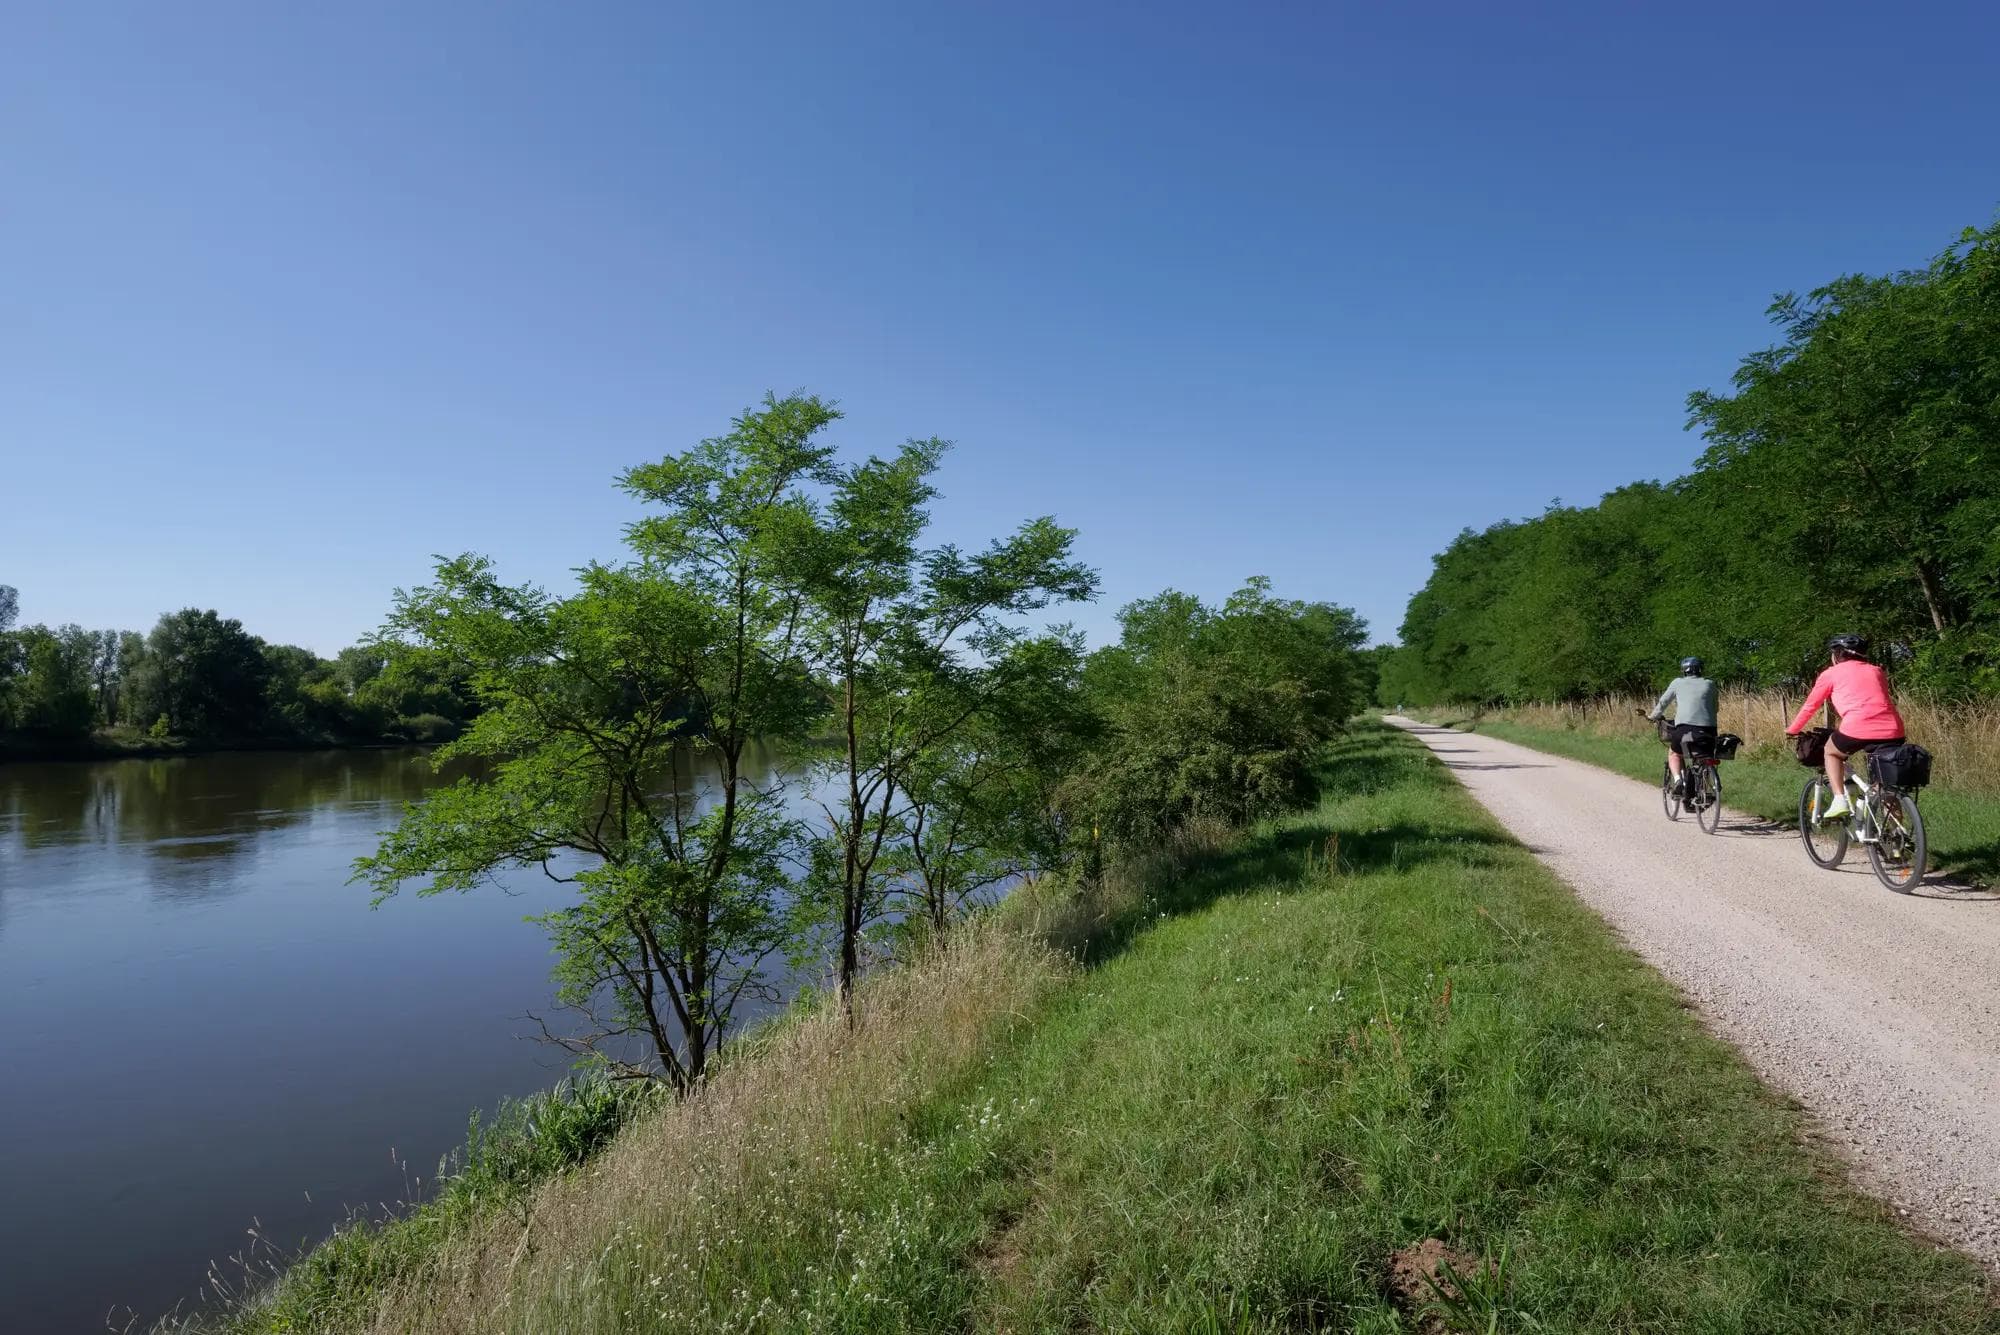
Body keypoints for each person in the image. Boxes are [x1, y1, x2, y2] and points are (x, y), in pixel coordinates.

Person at [1785, 633, 1906, 820]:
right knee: (1884, 784)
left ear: (1837, 655)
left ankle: (1840, 799)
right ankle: (1898, 838)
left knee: (1831, 752)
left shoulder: (1830, 674)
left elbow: (1811, 706)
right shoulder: (1877, 671)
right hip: (1893, 729)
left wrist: (1792, 729)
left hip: (1857, 727)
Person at [1648, 656, 1718, 810]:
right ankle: (1702, 787)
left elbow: (1663, 702)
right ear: (1701, 669)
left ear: (1684, 670)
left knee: (1674, 753)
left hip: (1685, 730)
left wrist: (1653, 716)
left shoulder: (1677, 683)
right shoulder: (1710, 684)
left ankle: (1679, 780)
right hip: (1709, 731)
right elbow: (1716, 708)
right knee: (1703, 757)